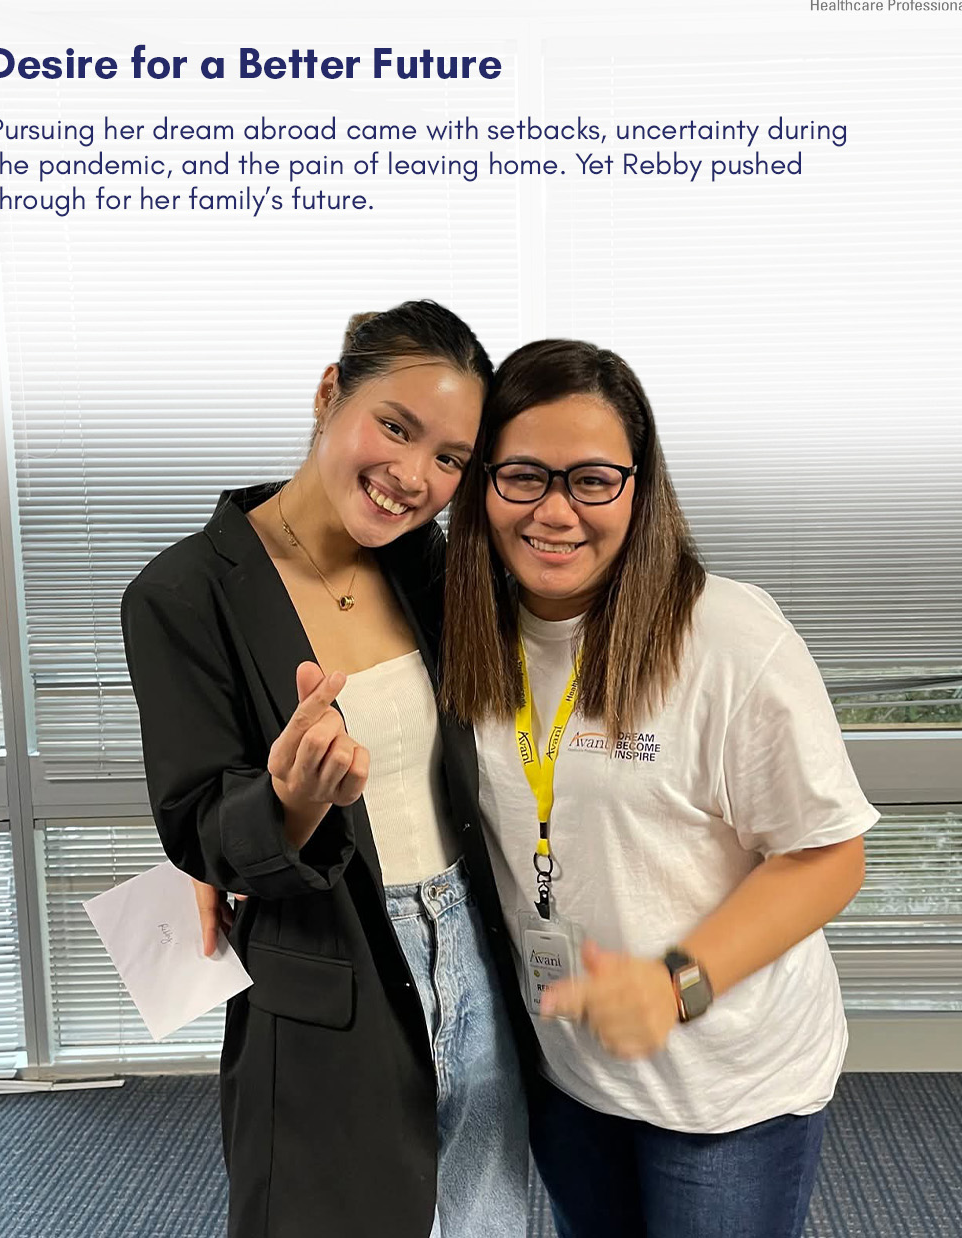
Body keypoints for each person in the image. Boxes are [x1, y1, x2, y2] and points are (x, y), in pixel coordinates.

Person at [439, 339, 880, 1238]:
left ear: (639, 488)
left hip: (728, 1088)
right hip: (569, 1070)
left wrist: (676, 982)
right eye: (524, 475)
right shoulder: (462, 636)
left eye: (593, 478)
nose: (556, 511)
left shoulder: (728, 639)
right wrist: (237, 851)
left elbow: (830, 858)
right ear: (483, 483)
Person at [120, 301, 534, 1238]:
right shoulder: (183, 594)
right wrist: (288, 805)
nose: (412, 478)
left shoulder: (433, 568)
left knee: (485, 1220)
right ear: (327, 392)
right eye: (395, 427)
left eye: (449, 460)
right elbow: (198, 822)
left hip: (475, 945)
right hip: (336, 963)